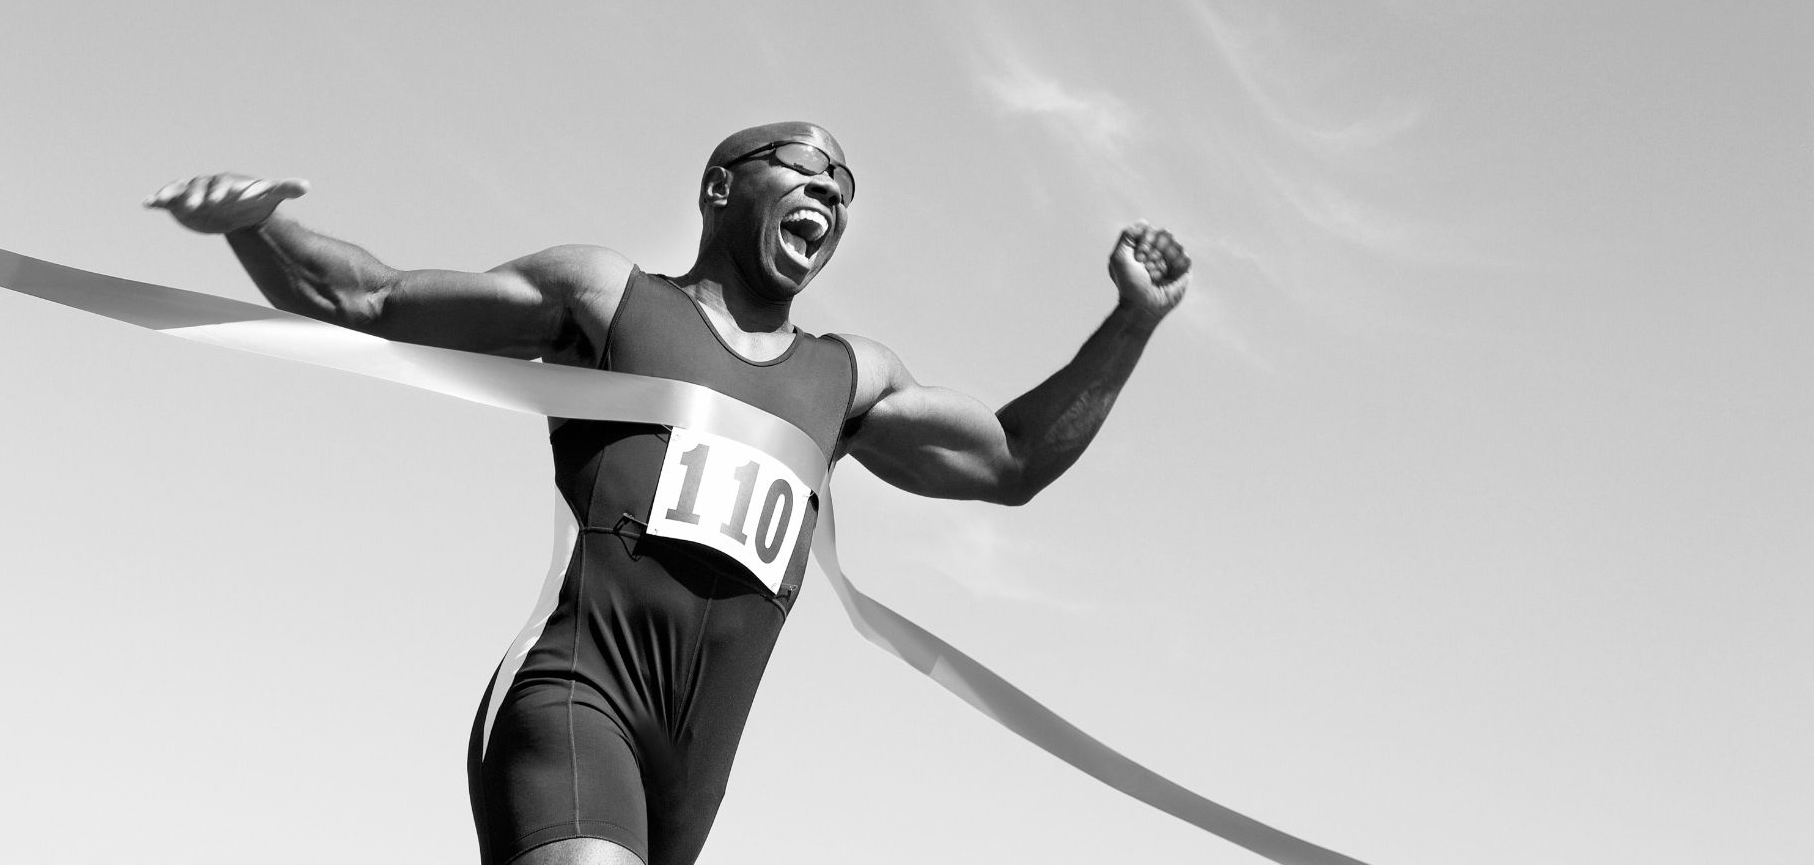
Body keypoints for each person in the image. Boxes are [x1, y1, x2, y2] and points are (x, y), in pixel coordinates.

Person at [144, 121, 1190, 865]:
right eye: (805, 166)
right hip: (572, 702)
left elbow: (1010, 463)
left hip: (690, 779)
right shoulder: (606, 298)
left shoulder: (849, 380)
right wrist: (256, 226)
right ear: (721, 187)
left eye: (845, 185)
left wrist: (1129, 325)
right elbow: (369, 298)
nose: (828, 190)